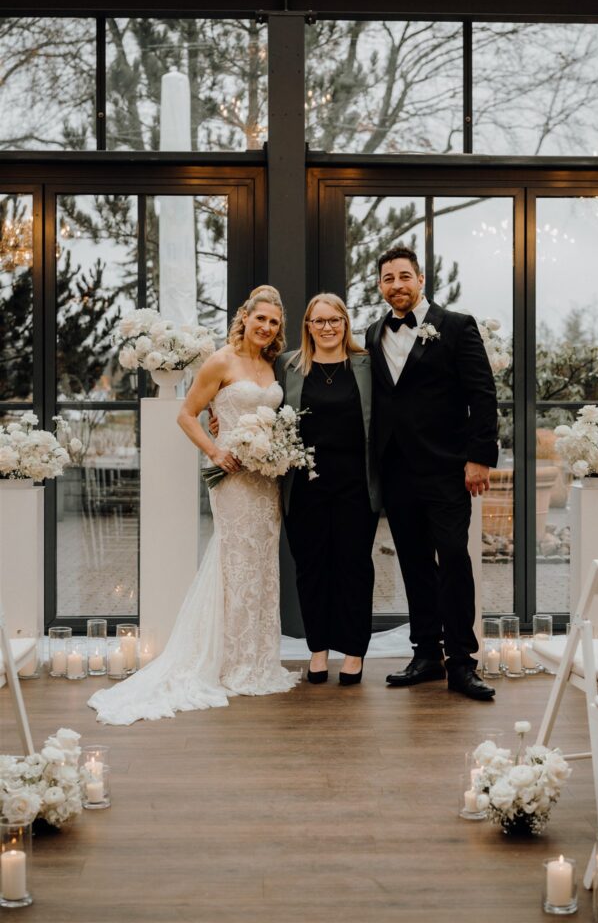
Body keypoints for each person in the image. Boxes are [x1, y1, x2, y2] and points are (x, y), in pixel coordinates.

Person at [88, 285, 299, 725]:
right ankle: (227, 663)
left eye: (274, 322)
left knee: (261, 564)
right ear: (245, 318)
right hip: (233, 479)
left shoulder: (267, 363)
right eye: (260, 318)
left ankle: (257, 660)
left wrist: (275, 448)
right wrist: (215, 451)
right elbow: (187, 414)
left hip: (266, 481)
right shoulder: (221, 360)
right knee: (234, 561)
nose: (266, 327)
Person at [365, 246, 498, 700]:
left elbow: (482, 394)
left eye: (404, 275)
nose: (396, 284)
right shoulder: (371, 333)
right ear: (380, 286)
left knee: (453, 561)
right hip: (397, 471)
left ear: (420, 279)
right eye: (388, 278)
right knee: (414, 564)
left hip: (447, 469)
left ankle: (462, 662)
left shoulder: (456, 326)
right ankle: (426, 654)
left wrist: (479, 457)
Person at [277, 293, 380, 685]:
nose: (327, 327)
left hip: (356, 485)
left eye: (334, 320)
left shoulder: (366, 364)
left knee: (354, 568)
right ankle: (318, 650)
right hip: (304, 487)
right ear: (308, 326)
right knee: (312, 569)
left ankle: (353, 653)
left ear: (345, 323)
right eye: (318, 321)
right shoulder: (288, 365)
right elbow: (260, 402)